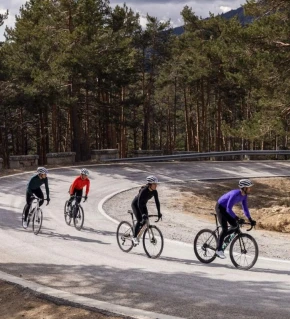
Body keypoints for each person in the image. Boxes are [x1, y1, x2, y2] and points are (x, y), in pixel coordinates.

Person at [215, 179, 256, 259]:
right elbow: (228, 209)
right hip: (220, 208)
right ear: (244, 188)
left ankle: (224, 237)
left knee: (235, 225)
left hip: (226, 209)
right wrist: (237, 218)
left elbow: (245, 208)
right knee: (225, 229)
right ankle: (218, 250)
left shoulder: (244, 195)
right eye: (249, 187)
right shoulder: (235, 194)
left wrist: (250, 219)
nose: (250, 189)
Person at [131, 175, 162, 245]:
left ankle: (136, 230)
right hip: (136, 205)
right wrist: (142, 214)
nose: (156, 185)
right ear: (150, 184)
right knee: (139, 220)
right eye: (155, 184)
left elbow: (157, 202)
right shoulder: (144, 190)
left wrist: (159, 213)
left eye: (156, 184)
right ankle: (134, 237)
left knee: (145, 221)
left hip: (143, 205)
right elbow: (138, 203)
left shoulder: (154, 191)